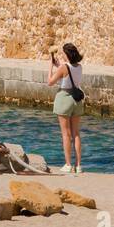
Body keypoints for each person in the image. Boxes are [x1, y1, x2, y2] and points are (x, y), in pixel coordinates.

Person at [48, 42, 86, 174]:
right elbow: (68, 74)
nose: (62, 55)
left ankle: (68, 164)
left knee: (66, 134)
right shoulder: (79, 67)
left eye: (63, 53)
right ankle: (79, 165)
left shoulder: (63, 67)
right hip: (76, 100)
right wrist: (59, 66)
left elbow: (50, 82)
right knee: (76, 133)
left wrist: (50, 66)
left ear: (67, 54)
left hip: (64, 98)